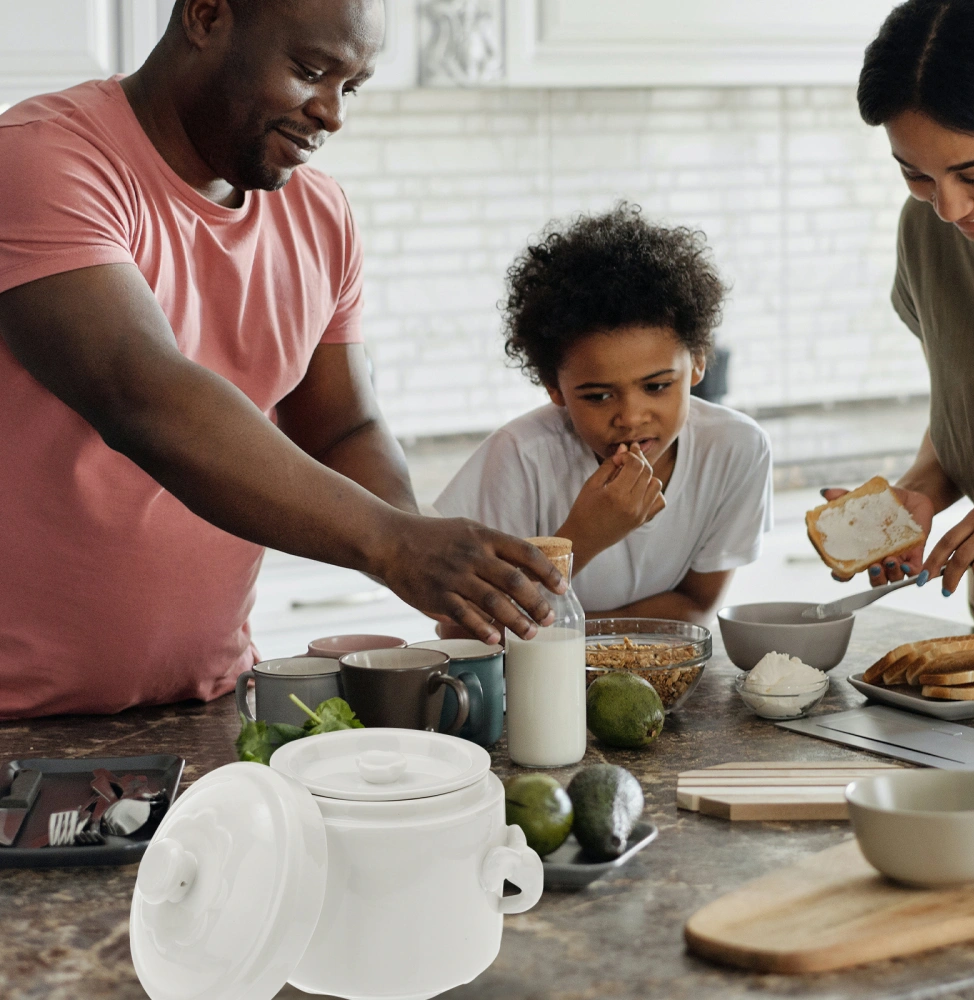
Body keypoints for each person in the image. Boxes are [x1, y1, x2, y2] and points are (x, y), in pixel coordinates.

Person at [0, 0, 563, 720]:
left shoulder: (319, 216)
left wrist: (433, 564)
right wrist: (391, 544)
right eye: (310, 71)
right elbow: (141, 396)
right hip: (16, 726)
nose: (332, 114)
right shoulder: (41, 158)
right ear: (206, 17)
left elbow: (343, 429)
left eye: (350, 87)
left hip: (210, 704)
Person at [434, 205, 773, 625]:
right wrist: (583, 536)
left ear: (699, 362)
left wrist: (571, 630)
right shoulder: (521, 458)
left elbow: (696, 605)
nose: (630, 417)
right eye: (597, 396)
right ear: (553, 386)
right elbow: (461, 626)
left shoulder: (736, 449)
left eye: (657, 386)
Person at [825, 0, 974, 631]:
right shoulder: (929, 234)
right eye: (917, 176)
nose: (950, 207)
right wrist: (919, 494)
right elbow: (968, 413)